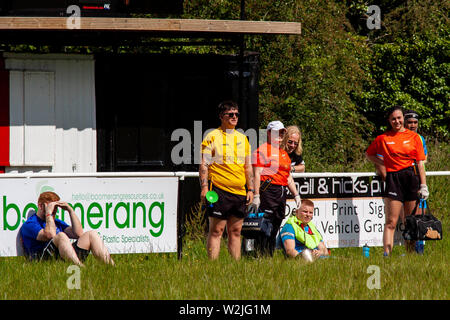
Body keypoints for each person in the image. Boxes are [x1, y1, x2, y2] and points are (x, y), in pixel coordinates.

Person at [365, 106, 428, 256]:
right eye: (393, 119)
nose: (397, 121)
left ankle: (411, 254)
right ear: (389, 121)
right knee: (391, 222)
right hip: (393, 179)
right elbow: (369, 155)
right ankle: (387, 254)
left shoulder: (414, 137)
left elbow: (420, 163)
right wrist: (384, 164)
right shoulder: (383, 138)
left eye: (399, 118)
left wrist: (423, 185)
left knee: (410, 221)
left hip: (411, 178)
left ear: (403, 119)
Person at [199, 100, 254, 260]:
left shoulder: (243, 138)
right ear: (221, 116)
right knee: (217, 231)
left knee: (236, 232)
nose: (234, 117)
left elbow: (248, 167)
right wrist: (204, 187)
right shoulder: (212, 136)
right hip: (219, 190)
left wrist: (250, 190)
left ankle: (235, 266)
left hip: (239, 192)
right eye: (230, 114)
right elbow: (204, 164)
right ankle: (212, 266)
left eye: (237, 114)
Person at [20, 191, 114, 265]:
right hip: (41, 260)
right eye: (52, 207)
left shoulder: (56, 222)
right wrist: (49, 213)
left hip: (62, 257)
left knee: (91, 234)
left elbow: (78, 234)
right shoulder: (30, 224)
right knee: (61, 236)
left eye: (55, 207)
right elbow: (49, 235)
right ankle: (80, 268)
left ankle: (110, 267)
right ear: (41, 206)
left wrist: (70, 211)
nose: (54, 210)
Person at [251, 120, 301, 256]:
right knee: (264, 226)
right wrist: (256, 196)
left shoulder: (283, 153)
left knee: (276, 224)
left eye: (282, 132)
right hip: (267, 190)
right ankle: (259, 255)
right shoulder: (262, 150)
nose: (280, 135)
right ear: (268, 133)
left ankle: (269, 255)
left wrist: (296, 195)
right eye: (277, 132)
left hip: (281, 192)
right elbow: (256, 174)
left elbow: (288, 176)